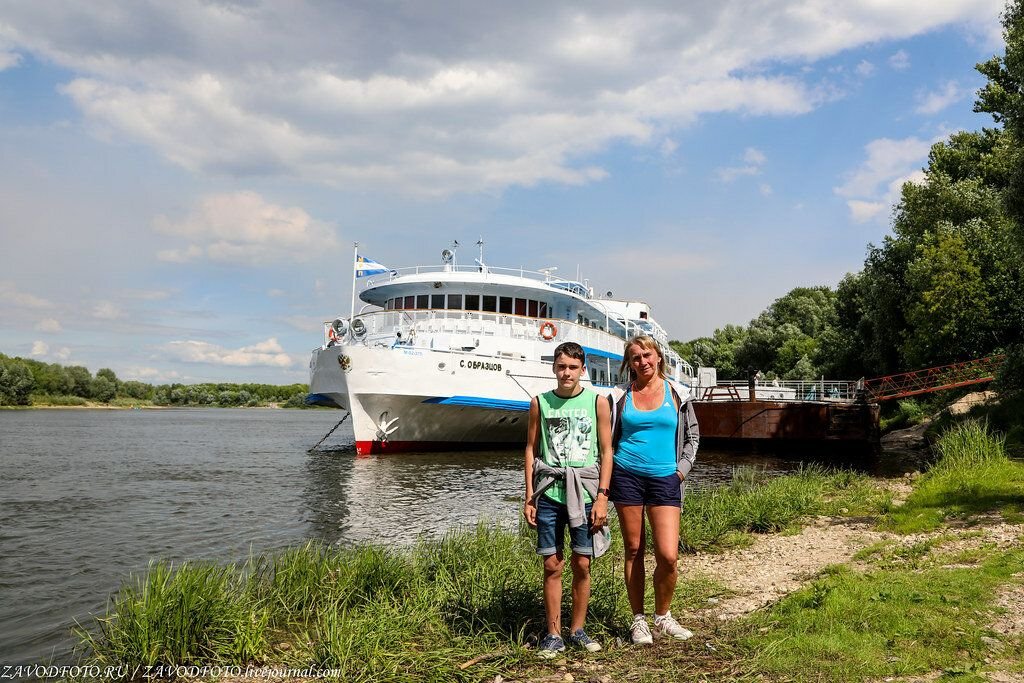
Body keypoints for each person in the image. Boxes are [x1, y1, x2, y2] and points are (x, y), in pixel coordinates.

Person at [524, 341, 613, 658]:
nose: (567, 373)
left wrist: (602, 497)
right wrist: (530, 496)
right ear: (553, 368)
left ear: (582, 370)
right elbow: (531, 449)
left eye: (573, 367)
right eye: (561, 366)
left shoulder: (597, 402)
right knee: (552, 564)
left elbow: (607, 452)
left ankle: (577, 630)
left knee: (582, 563)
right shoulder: (540, 403)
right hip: (549, 493)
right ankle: (553, 634)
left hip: (586, 493)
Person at [608, 334, 699, 645]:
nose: (642, 361)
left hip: (666, 479)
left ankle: (663, 616)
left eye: (647, 355)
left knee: (668, 555)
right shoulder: (620, 396)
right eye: (636, 357)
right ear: (629, 363)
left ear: (659, 357)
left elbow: (693, 438)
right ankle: (639, 620)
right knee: (634, 549)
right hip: (626, 476)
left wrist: (680, 473)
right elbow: (608, 441)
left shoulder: (677, 394)